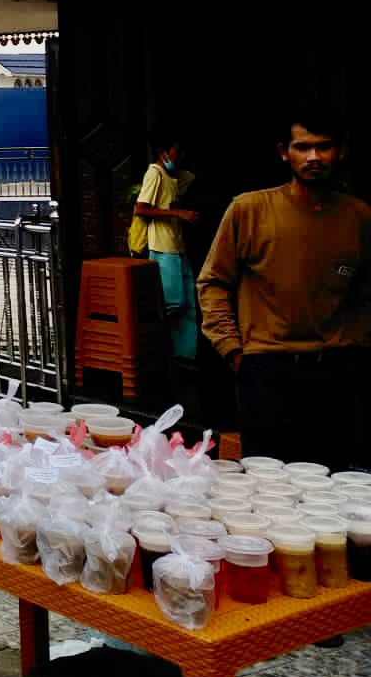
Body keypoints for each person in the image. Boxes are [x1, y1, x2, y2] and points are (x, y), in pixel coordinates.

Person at [198, 109, 371, 471]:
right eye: (302, 147)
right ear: (283, 152)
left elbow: (362, 294)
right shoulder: (250, 209)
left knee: (329, 482)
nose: (313, 157)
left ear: (340, 152)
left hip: (336, 370)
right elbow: (213, 282)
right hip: (266, 368)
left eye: (323, 147)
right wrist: (233, 350)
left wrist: (356, 347)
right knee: (267, 484)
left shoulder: (359, 216)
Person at [134, 131, 200, 361]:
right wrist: (177, 212)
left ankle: (182, 356)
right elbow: (140, 208)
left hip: (177, 247)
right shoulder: (154, 173)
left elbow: (189, 177)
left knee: (188, 304)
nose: (180, 156)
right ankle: (154, 351)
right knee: (172, 302)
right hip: (162, 248)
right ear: (164, 153)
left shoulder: (170, 176)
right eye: (176, 151)